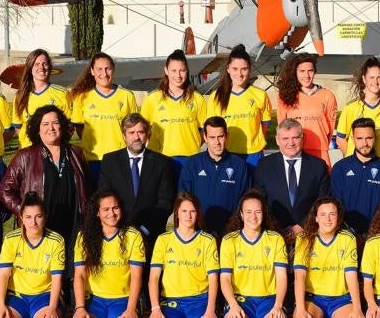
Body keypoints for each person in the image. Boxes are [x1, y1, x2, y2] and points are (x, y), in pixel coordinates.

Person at [0, 104, 90, 254]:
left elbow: (87, 187)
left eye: (55, 123)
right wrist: (26, 212)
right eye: (45, 124)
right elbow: (5, 190)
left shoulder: (76, 153)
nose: (51, 128)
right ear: (37, 128)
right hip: (42, 226)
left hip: (73, 223)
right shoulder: (25, 156)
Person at [98, 113, 177, 254]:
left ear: (147, 135)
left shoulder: (162, 163)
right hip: (117, 233)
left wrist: (144, 229)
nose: (136, 137)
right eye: (131, 133)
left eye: (140, 132)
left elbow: (166, 202)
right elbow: (104, 198)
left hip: (150, 235)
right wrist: (118, 228)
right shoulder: (110, 161)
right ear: (124, 135)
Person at [73, 190, 147, 318]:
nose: (111, 213)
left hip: (122, 299)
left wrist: (131, 309)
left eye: (115, 208)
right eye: (106, 209)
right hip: (93, 299)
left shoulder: (133, 235)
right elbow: (79, 275)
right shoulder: (84, 236)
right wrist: (80, 308)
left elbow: (136, 276)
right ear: (97, 212)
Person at [256, 118, 332, 241]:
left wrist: (302, 226)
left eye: (295, 138)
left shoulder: (318, 166)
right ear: (277, 140)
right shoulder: (264, 166)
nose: (291, 143)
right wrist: (276, 229)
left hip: (309, 234)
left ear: (303, 138)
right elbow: (261, 201)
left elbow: (322, 201)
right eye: (285, 138)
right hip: (274, 235)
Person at [177, 116, 252, 237]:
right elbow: (183, 200)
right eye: (212, 137)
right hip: (198, 232)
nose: (217, 142)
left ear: (226, 136)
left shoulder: (239, 166)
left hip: (230, 233)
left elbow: (246, 201)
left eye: (220, 137)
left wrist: (232, 229)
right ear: (205, 137)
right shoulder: (192, 164)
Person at [149, 192, 220, 318]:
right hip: (171, 301)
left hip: (199, 301)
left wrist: (210, 310)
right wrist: (155, 309)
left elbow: (213, 279)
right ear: (177, 213)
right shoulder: (163, 239)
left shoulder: (208, 241)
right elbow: (154, 277)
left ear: (198, 213)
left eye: (192, 211)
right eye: (184, 211)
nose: (188, 215)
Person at [219, 190, 289, 318]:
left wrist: (278, 306)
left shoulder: (275, 239)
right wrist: (233, 306)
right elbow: (225, 278)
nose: (253, 216)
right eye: (248, 212)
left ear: (264, 214)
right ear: (241, 214)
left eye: (258, 212)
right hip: (240, 299)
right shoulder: (229, 240)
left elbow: (281, 277)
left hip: (269, 299)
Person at [0, 192, 67, 318]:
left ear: (45, 217)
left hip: (44, 296)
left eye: (38, 216)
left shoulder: (56, 241)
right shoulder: (11, 239)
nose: (33, 222)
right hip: (17, 296)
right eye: (28, 217)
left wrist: (52, 308)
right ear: (21, 218)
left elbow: (57, 278)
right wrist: (0, 305)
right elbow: (3, 274)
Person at [68, 52, 139, 175]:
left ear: (113, 70)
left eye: (108, 69)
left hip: (120, 159)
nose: (104, 74)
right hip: (92, 160)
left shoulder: (127, 96)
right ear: (92, 71)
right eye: (99, 69)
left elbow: (134, 128)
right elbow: (79, 128)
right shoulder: (82, 97)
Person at [206, 45, 274, 171]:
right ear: (228, 69)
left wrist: (255, 145)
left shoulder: (260, 95)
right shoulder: (216, 96)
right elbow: (212, 130)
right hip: (227, 154)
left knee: (254, 191)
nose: (239, 74)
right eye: (235, 69)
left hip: (253, 156)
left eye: (244, 69)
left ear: (249, 69)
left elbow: (264, 127)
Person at [139, 50, 208, 173]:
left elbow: (204, 130)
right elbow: (143, 130)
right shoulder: (152, 99)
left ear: (187, 70)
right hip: (160, 159)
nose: (178, 75)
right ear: (166, 70)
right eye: (174, 71)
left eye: (182, 70)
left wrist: (192, 142)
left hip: (190, 159)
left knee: (186, 193)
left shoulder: (198, 99)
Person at [293, 197, 362, 318]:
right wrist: (300, 309)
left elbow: (351, 276)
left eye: (332, 214)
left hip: (341, 299)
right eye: (323, 214)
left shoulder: (347, 239)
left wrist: (357, 309)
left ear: (338, 217)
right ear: (316, 218)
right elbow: (299, 276)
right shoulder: (304, 238)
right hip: (313, 298)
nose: (328, 219)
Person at [330, 117, 380, 238]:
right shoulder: (340, 168)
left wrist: (373, 232)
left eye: (369, 138)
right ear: (352, 139)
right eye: (359, 138)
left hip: (375, 237)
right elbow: (335, 204)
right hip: (344, 235)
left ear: (375, 138)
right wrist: (346, 231)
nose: (365, 143)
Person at [334, 57, 380, 165]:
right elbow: (340, 139)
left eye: (379, 77)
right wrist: (352, 159)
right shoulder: (351, 108)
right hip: (357, 167)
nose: (375, 82)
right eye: (372, 77)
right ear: (364, 79)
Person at [275, 53, 339, 166]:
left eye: (310, 71)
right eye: (302, 71)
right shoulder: (285, 96)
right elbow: (282, 127)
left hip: (320, 152)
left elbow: (330, 127)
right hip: (294, 152)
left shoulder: (327, 95)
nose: (307, 75)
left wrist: (321, 144)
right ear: (295, 72)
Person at [11, 48, 73, 149]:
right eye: (37, 64)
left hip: (53, 151)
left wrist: (58, 145)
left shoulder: (62, 93)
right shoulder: (20, 95)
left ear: (50, 67)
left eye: (45, 64)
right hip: (29, 152)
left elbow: (69, 125)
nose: (41, 67)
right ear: (30, 68)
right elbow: (18, 127)